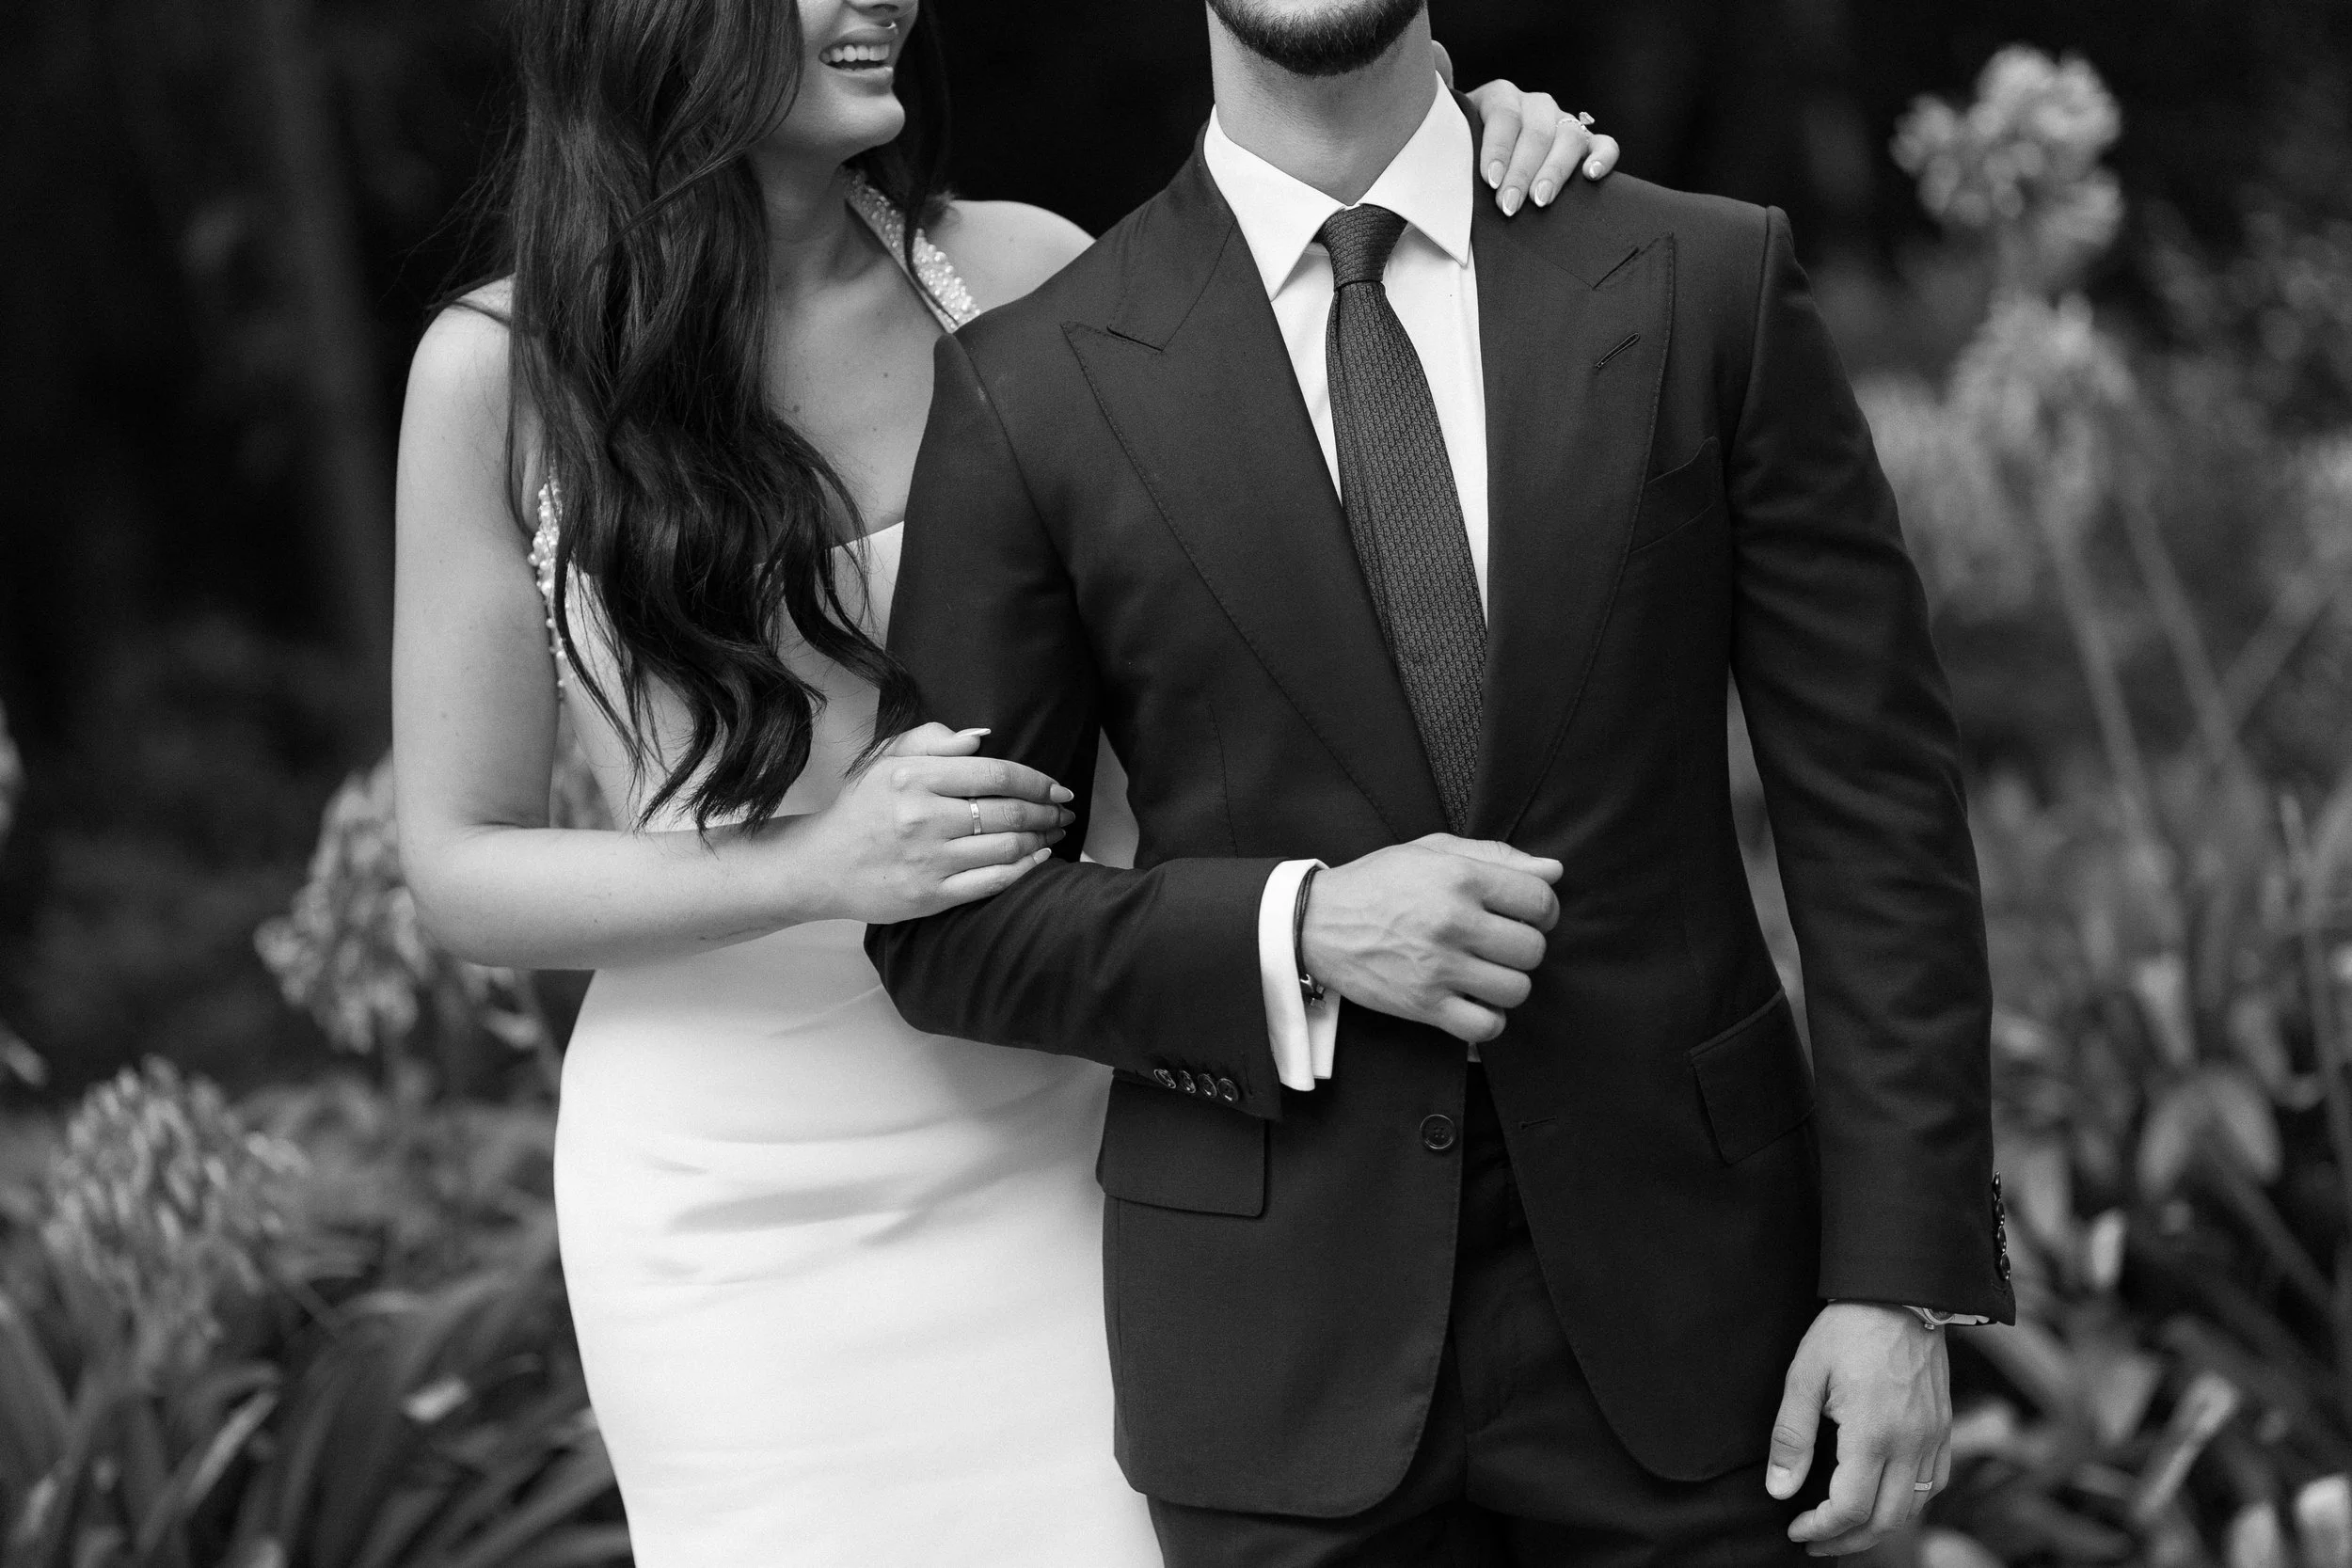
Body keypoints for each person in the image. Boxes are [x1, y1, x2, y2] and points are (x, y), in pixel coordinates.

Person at [389, 0, 1616, 1559]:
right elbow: (458, 859)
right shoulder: (497, 375)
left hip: (1062, 1118)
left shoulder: (1024, 273)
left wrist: (1468, 149)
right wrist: (818, 863)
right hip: (723, 1205)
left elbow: (1341, 347)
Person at [864, 0, 2017, 1562]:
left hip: (1699, 1327)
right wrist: (1298, 931)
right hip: (1276, 1366)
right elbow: (948, 926)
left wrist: (1895, 1278)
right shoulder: (1034, 384)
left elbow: (1876, 807)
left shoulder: (1707, 278)